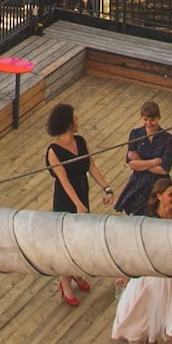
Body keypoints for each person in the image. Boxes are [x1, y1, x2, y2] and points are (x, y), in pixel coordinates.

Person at [110, 176, 172, 344]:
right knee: (152, 313)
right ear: (159, 196)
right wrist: (126, 273)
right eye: (170, 194)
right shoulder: (147, 218)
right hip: (153, 275)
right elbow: (136, 248)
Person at [44, 101, 114, 307]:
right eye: (75, 118)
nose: (78, 121)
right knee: (66, 241)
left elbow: (91, 166)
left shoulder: (81, 141)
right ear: (68, 123)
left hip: (82, 190)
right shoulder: (53, 151)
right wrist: (78, 206)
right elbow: (64, 182)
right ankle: (64, 280)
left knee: (80, 240)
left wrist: (107, 188)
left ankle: (74, 272)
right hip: (66, 198)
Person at [114, 100, 172, 216]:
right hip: (139, 184)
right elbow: (131, 164)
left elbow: (164, 169)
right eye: (145, 119)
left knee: (159, 215)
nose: (149, 123)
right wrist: (155, 161)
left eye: (152, 119)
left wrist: (140, 162)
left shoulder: (168, 138)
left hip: (159, 185)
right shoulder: (135, 134)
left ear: (159, 118)